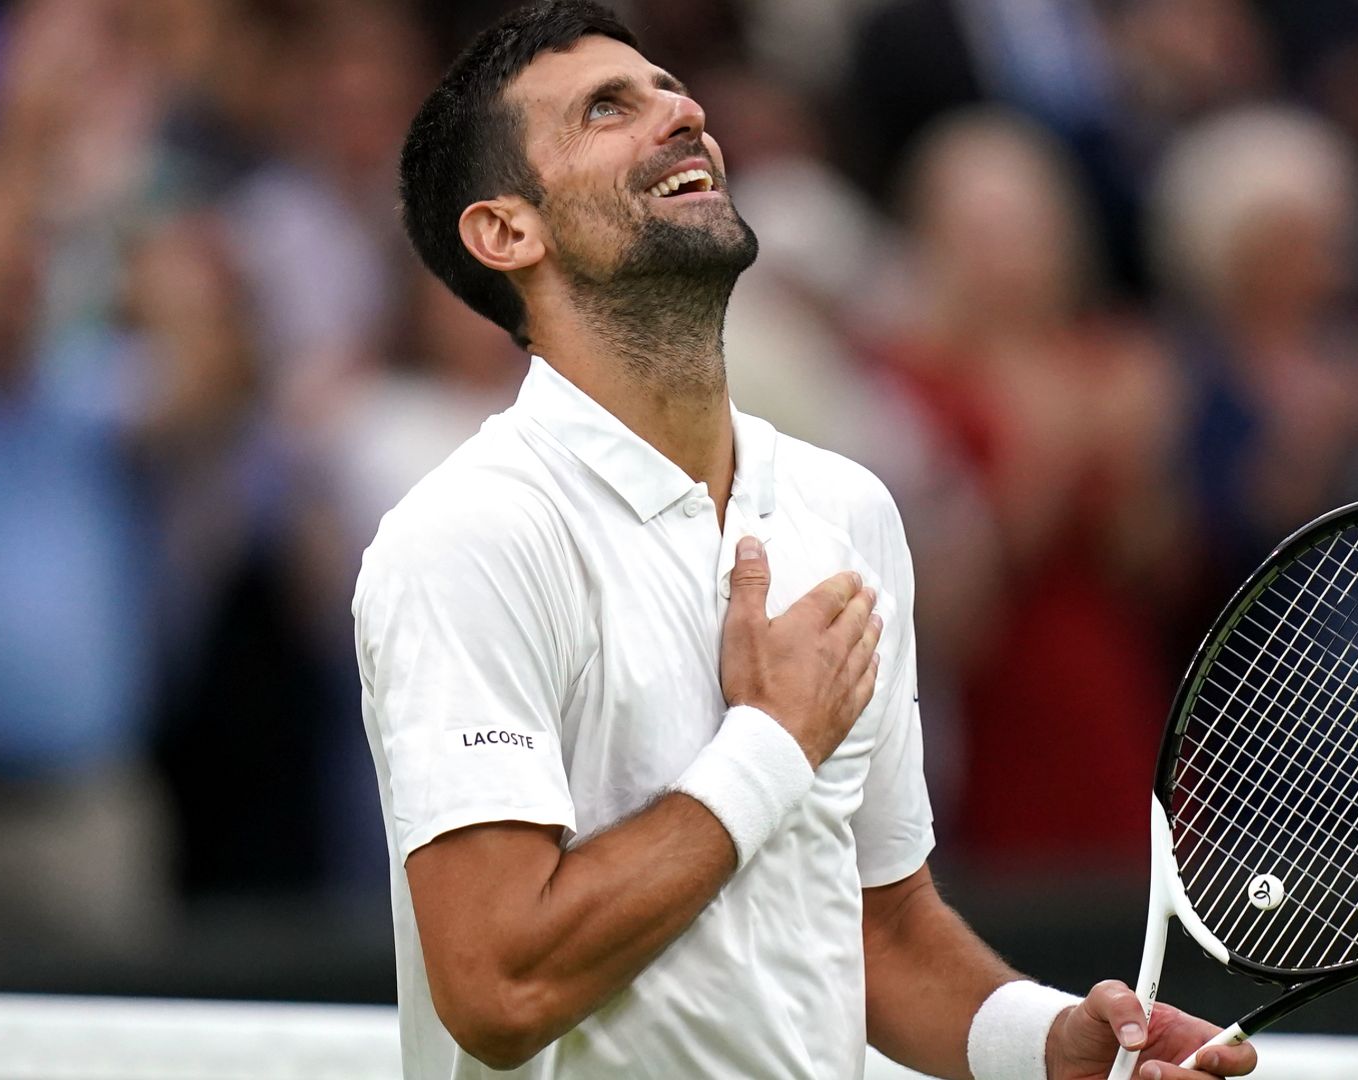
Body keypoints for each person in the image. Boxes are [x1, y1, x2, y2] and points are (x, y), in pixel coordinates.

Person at [355, 4, 1259, 1079]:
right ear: (508, 231)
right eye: (608, 108)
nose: (682, 113)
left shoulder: (848, 509)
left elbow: (878, 934)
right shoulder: (467, 537)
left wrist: (1057, 1047)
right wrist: (773, 744)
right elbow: (499, 988)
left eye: (670, 90)